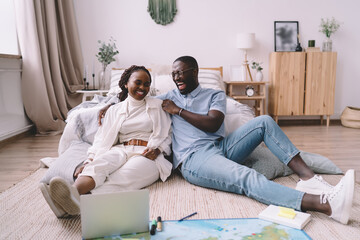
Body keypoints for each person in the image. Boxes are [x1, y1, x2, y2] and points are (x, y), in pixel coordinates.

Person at [98, 57, 355, 224]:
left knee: (264, 120)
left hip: (222, 146)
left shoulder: (214, 94)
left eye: (181, 73)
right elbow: (136, 96)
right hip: (194, 159)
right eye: (174, 74)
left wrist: (178, 111)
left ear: (195, 72)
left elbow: (214, 123)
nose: (177, 78)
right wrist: (109, 104)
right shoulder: (166, 96)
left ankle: (311, 180)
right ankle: (325, 204)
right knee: (248, 176)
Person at [41, 65, 172, 217]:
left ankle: (72, 202)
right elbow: (101, 139)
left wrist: (158, 149)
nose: (142, 87)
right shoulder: (114, 110)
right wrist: (88, 160)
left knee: (125, 176)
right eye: (138, 82)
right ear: (126, 84)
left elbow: (167, 134)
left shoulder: (158, 106)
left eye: (147, 83)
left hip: (147, 153)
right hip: (121, 149)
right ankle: (72, 193)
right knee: (98, 165)